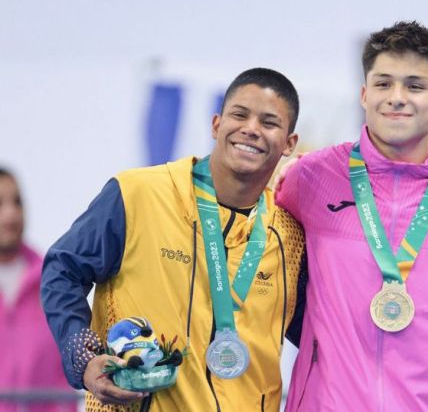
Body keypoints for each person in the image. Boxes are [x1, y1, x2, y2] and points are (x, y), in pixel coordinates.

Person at [41, 68, 306, 412]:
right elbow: (62, 269)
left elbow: (326, 332)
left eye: (269, 122)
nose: (251, 129)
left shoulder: (289, 236)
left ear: (289, 143)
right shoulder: (137, 194)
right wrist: (85, 358)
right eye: (239, 114)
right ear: (216, 124)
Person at [276, 21, 428, 411]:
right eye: (383, 83)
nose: (397, 97)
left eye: (414, 85)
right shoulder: (312, 177)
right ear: (364, 93)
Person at [0, 169, 77, 412]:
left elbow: (64, 375)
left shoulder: (52, 281)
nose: (11, 213)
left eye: (17, 202)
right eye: (0, 203)